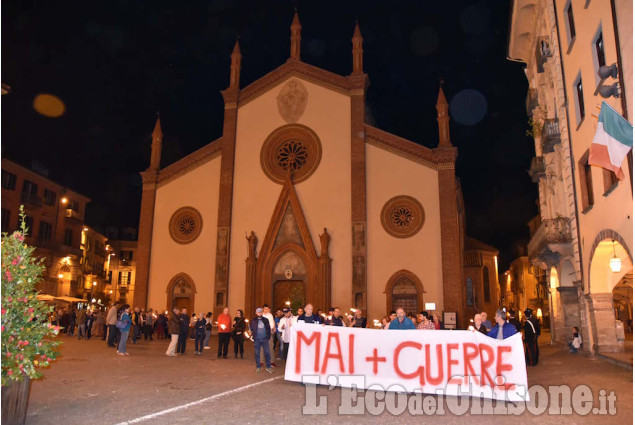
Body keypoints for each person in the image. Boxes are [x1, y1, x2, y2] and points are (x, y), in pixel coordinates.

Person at [250, 308, 273, 373]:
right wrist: (251, 333)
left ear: (262, 312)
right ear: (256, 313)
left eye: (260, 312)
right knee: (257, 353)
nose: (259, 313)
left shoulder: (266, 320)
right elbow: (251, 329)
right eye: (258, 312)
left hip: (264, 339)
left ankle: (268, 367)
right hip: (257, 339)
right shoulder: (253, 320)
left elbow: (268, 329)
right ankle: (258, 367)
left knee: (267, 353)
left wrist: (267, 337)